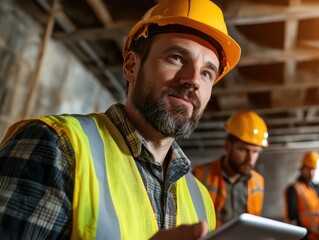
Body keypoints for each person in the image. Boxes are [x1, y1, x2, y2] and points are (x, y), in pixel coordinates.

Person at [0, 0, 241, 239]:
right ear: (131, 66)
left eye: (207, 72)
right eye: (176, 58)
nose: (194, 80)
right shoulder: (56, 146)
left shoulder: (201, 201)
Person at [193, 111, 269, 227]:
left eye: (255, 152)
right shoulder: (199, 175)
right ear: (227, 147)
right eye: (243, 150)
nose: (250, 158)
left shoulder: (258, 181)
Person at [284, 151, 319, 240]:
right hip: (304, 236)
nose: (311, 173)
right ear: (302, 168)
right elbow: (292, 217)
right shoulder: (293, 189)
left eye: (314, 169)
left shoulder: (313, 187)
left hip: (318, 235)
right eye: (309, 169)